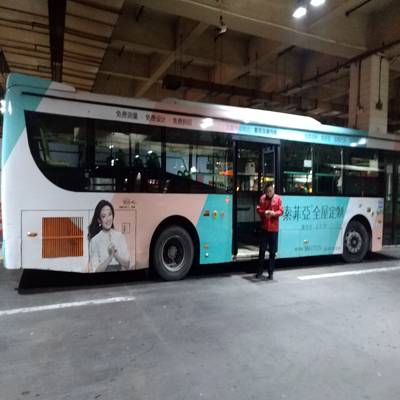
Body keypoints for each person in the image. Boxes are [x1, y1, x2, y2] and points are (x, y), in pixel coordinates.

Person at [87, 200, 131, 272]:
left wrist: (116, 256)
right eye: (104, 216)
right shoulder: (95, 241)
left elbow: (127, 265)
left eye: (110, 214)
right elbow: (96, 270)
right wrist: (110, 257)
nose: (108, 219)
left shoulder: (120, 236)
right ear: (99, 220)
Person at [256, 182, 283, 280]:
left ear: (273, 189)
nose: (269, 193)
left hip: (273, 229)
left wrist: (273, 213)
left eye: (270, 191)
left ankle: (270, 273)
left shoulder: (278, 198)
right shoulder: (262, 198)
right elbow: (258, 209)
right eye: (267, 191)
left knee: (272, 252)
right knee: (262, 251)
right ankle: (260, 271)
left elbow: (281, 211)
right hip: (264, 228)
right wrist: (264, 213)